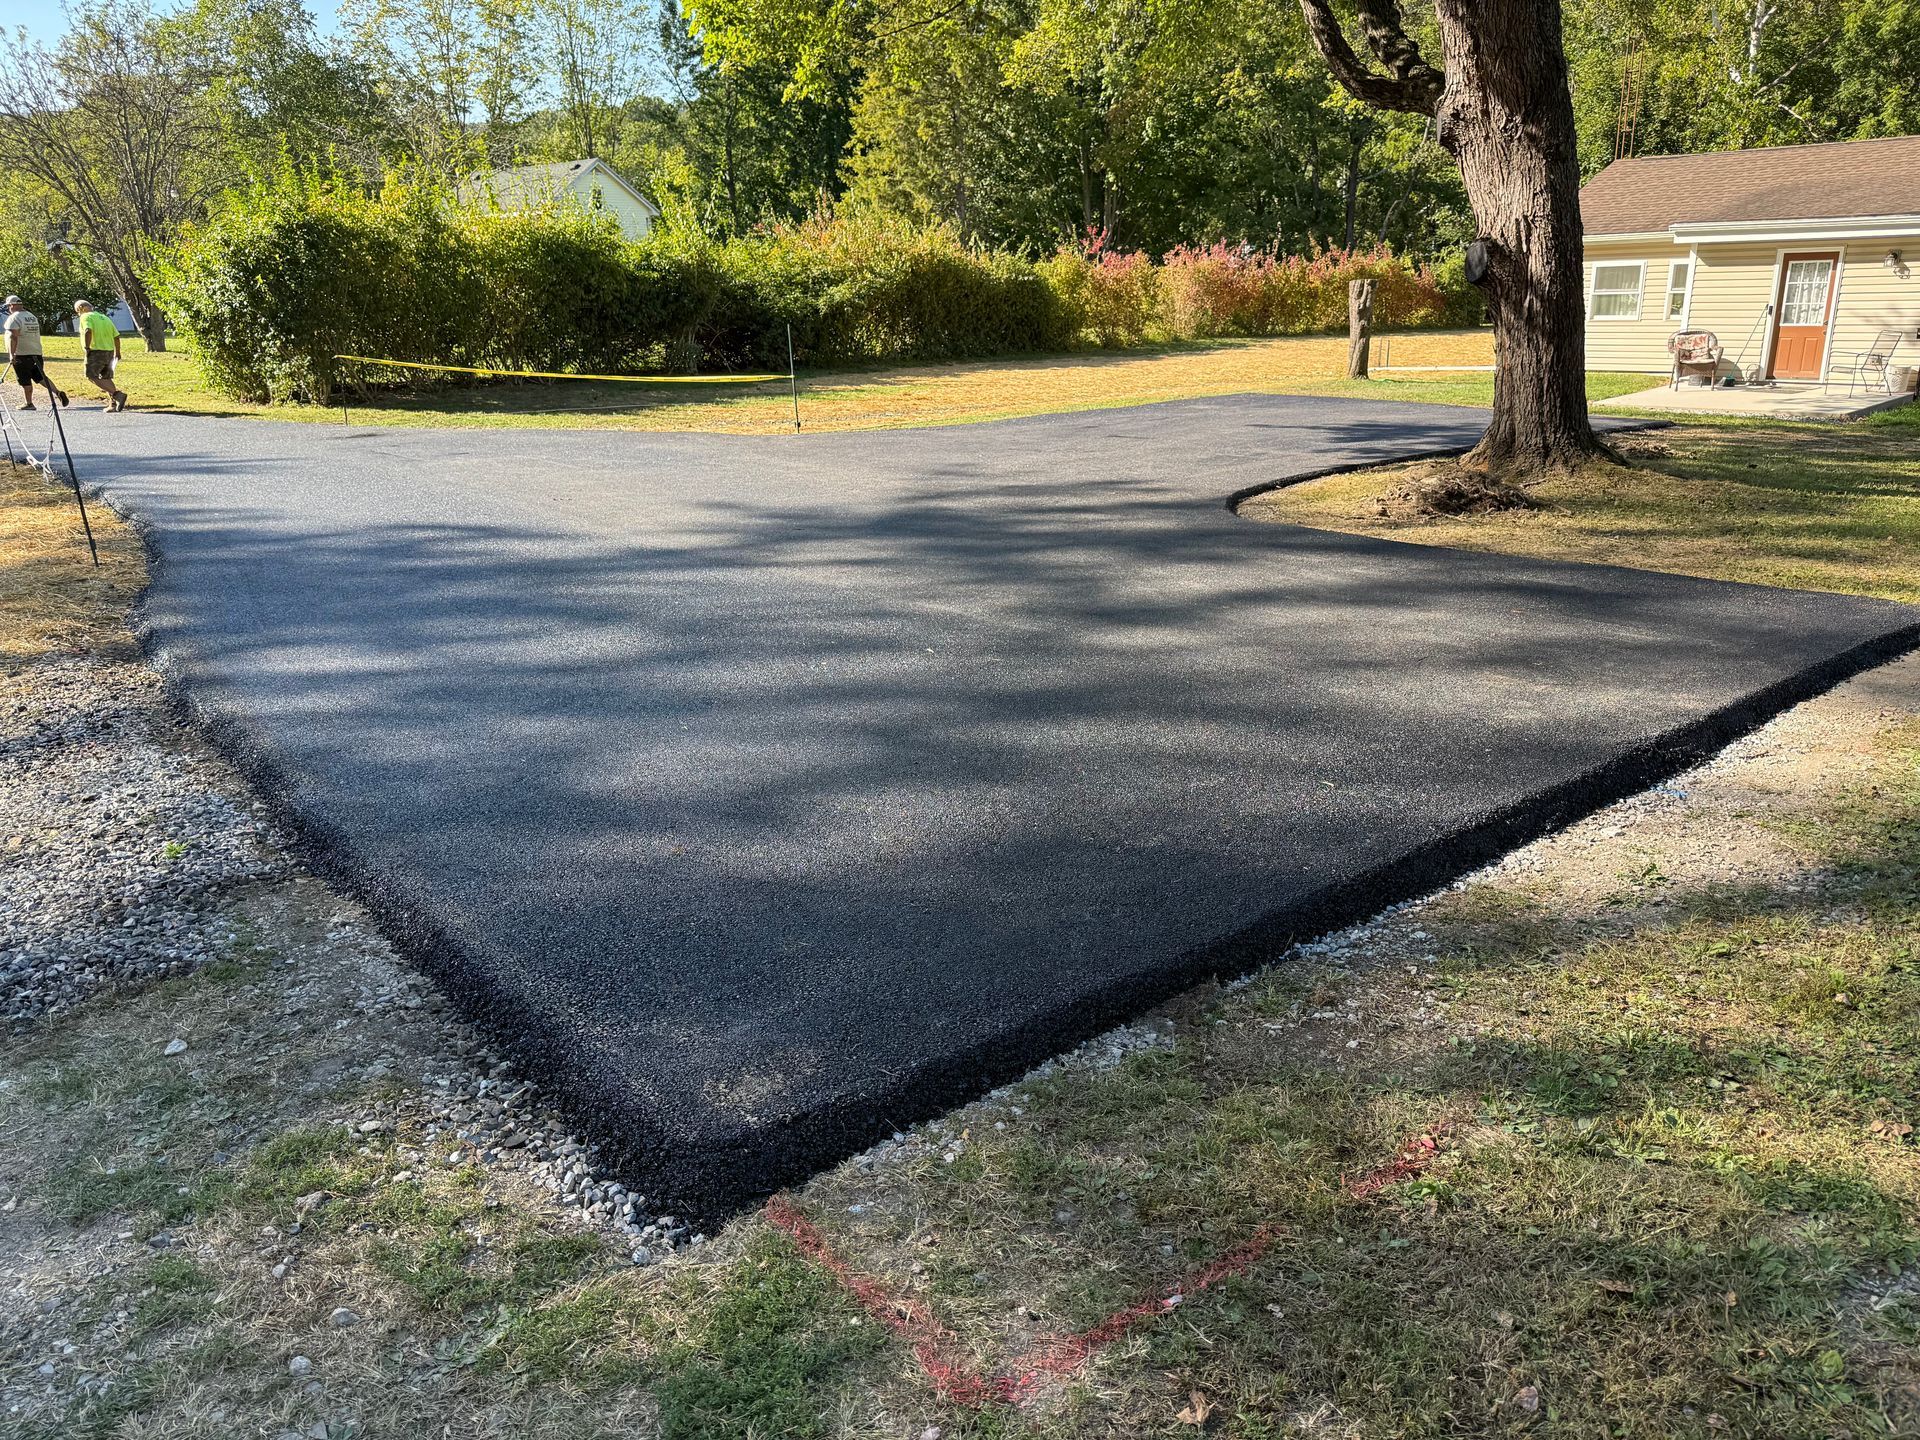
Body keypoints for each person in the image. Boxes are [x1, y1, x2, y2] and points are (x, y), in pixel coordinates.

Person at [3, 295, 67, 410]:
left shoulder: (14, 318)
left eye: (8, 306)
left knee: (25, 380)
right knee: (40, 377)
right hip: (36, 352)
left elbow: (13, 336)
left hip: (21, 354)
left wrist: (12, 355)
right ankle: (57, 392)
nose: (8, 309)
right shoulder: (31, 316)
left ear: (12, 305)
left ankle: (29, 403)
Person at [74, 299, 127, 412]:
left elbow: (88, 331)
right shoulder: (105, 318)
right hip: (109, 351)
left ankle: (118, 394)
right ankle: (112, 404)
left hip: (95, 351)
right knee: (106, 377)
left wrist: (87, 347)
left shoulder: (86, 317)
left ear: (81, 308)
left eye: (77, 311)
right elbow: (116, 336)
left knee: (91, 376)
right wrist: (117, 352)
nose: (78, 314)